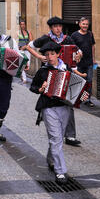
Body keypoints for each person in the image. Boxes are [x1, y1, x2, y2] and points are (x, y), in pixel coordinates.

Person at [29, 42, 88, 185]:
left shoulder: (66, 68)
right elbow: (33, 87)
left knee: (58, 138)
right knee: (56, 138)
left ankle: (50, 159)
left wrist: (82, 96)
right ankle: (60, 171)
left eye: (52, 54)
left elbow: (76, 86)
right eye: (47, 54)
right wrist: (41, 89)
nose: (49, 57)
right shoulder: (43, 71)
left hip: (65, 107)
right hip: (48, 107)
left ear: (58, 54)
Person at [22, 16, 83, 147]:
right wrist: (39, 56)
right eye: (55, 26)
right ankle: (52, 123)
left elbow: (78, 51)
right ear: (51, 28)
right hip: (48, 72)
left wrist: (79, 55)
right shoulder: (45, 38)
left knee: (68, 103)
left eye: (60, 26)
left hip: (65, 72)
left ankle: (70, 136)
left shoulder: (67, 38)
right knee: (51, 99)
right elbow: (28, 46)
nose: (58, 29)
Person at [0, 24, 23, 147]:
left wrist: (22, 72)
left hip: (6, 77)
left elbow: (18, 57)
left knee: (4, 106)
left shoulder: (10, 41)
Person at [71, 17, 96, 107]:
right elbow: (72, 48)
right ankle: (76, 99)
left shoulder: (90, 34)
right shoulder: (74, 35)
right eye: (83, 24)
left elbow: (93, 46)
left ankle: (86, 99)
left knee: (89, 81)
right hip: (79, 63)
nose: (85, 26)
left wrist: (94, 59)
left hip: (89, 62)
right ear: (80, 24)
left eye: (86, 24)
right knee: (79, 81)